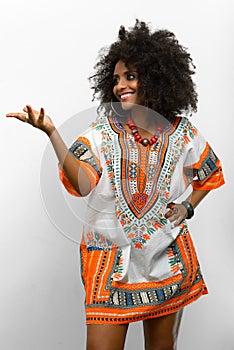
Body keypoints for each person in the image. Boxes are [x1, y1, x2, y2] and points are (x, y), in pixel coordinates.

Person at [7, 20, 225, 350]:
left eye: (130, 76)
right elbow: (81, 185)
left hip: (166, 259)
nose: (119, 86)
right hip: (111, 267)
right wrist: (53, 133)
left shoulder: (183, 134)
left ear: (156, 77)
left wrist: (187, 206)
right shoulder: (101, 133)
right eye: (116, 79)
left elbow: (210, 173)